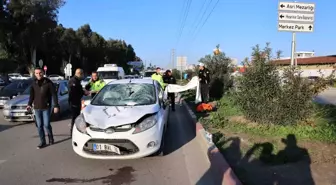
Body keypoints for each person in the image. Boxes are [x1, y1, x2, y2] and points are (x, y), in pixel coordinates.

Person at [27, 67, 59, 149]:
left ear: (43, 73)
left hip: (46, 107)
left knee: (46, 124)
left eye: (40, 73)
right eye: (37, 73)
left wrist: (56, 106)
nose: (38, 74)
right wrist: (29, 104)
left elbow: (54, 95)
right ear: (34, 74)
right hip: (37, 108)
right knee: (39, 125)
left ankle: (51, 138)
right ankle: (42, 142)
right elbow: (32, 96)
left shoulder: (48, 82)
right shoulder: (33, 83)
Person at [68, 69, 89, 136]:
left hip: (76, 101)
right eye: (82, 74)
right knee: (75, 118)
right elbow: (74, 92)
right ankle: (73, 133)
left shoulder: (76, 81)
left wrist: (83, 92)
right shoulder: (73, 81)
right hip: (74, 102)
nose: (83, 76)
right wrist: (83, 92)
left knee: (76, 117)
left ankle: (74, 132)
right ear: (80, 74)